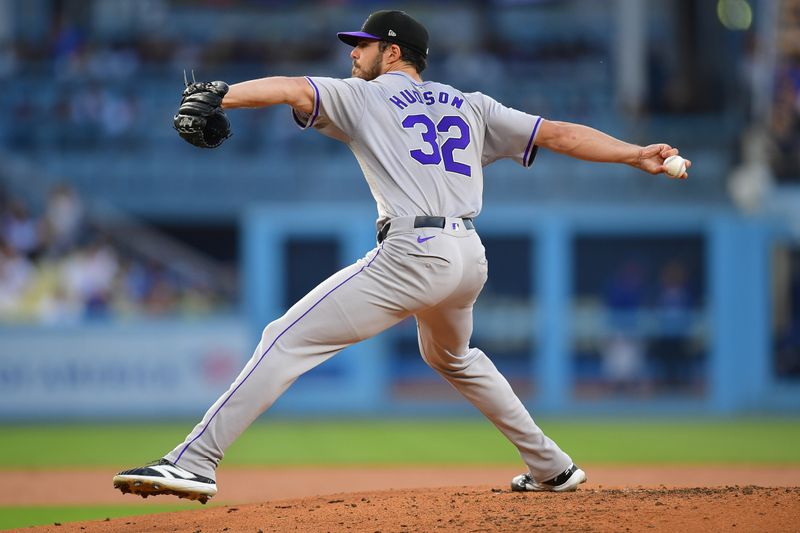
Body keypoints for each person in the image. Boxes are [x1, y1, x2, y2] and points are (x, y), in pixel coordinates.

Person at [113, 10, 690, 503]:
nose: (353, 54)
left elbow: (292, 87)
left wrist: (222, 95)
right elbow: (558, 133)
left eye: (361, 45)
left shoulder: (365, 95)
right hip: (468, 255)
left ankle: (193, 462)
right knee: (453, 356)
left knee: (285, 338)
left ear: (392, 51)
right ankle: (551, 467)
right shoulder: (472, 105)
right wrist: (635, 153)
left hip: (414, 251)